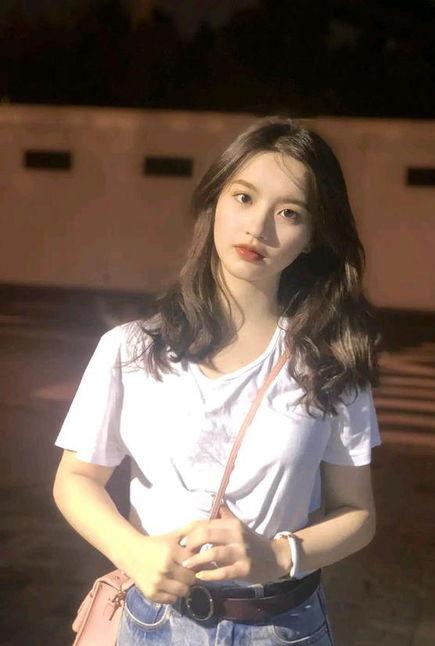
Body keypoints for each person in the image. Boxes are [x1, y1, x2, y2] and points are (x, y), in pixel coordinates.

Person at [53, 116, 381, 645]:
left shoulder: (329, 360)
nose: (259, 228)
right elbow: (76, 478)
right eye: (244, 198)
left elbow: (358, 513)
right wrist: (132, 551)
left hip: (282, 627)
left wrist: (278, 554)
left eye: (290, 212)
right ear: (215, 203)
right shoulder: (130, 348)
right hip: (153, 624)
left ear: (312, 237)